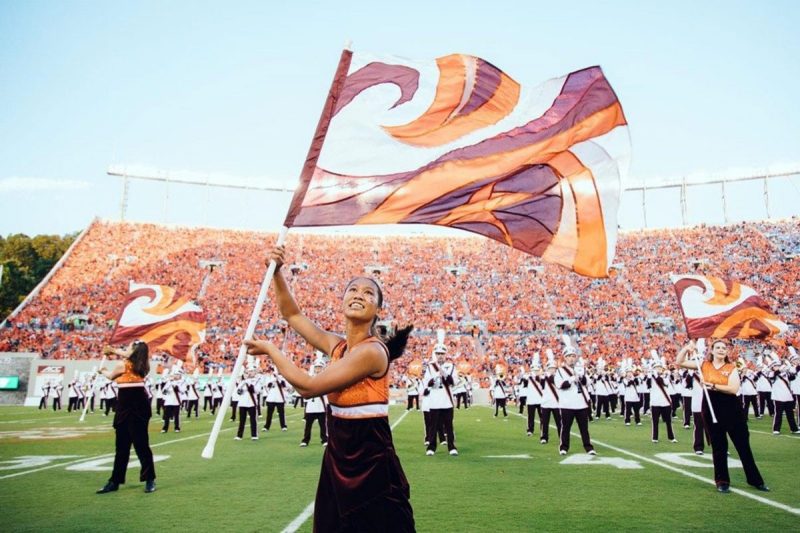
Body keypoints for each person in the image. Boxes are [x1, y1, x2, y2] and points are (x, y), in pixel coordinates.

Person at [244, 245, 415, 532]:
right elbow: (293, 315)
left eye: (368, 293)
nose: (359, 294)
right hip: (338, 458)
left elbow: (308, 388)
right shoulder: (338, 346)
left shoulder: (372, 352)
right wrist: (277, 272)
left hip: (371, 464)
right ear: (342, 300)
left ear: (377, 310)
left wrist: (272, 350)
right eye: (353, 290)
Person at [676, 339, 769, 494]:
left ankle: (755, 480)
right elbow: (679, 362)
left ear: (727, 352)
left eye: (724, 348)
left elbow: (733, 389)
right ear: (711, 350)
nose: (721, 350)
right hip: (711, 407)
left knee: (743, 446)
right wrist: (687, 348)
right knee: (719, 447)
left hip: (731, 408)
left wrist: (712, 385)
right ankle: (722, 481)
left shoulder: (731, 368)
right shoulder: (704, 365)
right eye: (717, 347)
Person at [96, 341, 156, 494]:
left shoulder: (136, 365)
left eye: (129, 347)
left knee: (140, 445)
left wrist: (111, 353)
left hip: (135, 406)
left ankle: (149, 479)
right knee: (123, 447)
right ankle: (115, 480)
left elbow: (112, 375)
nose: (126, 349)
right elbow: (111, 377)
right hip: (127, 405)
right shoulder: (137, 366)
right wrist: (102, 371)